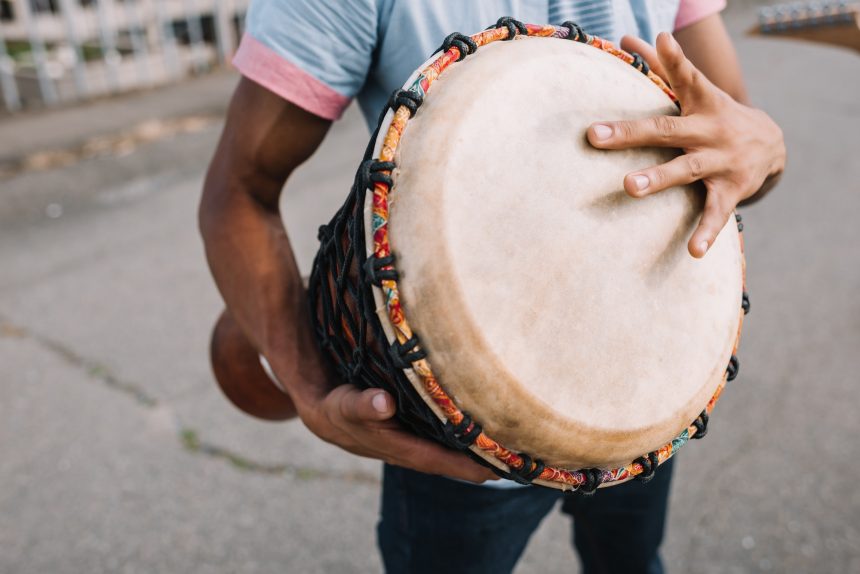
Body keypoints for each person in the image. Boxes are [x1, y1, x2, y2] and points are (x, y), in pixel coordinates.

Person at [199, 1, 786, 572]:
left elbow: (731, 143)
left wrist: (764, 148)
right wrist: (308, 388)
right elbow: (241, 189)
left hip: (647, 389)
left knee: (631, 560)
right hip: (447, 424)